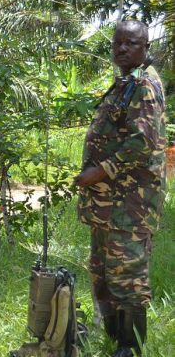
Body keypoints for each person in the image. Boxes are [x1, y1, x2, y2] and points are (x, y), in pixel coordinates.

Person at [73, 20, 166, 357]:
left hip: (130, 205)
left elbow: (143, 142)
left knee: (127, 276)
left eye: (132, 43)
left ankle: (130, 348)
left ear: (145, 48)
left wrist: (101, 171)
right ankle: (113, 339)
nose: (123, 49)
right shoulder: (125, 83)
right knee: (102, 271)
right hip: (108, 206)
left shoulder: (144, 85)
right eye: (119, 43)